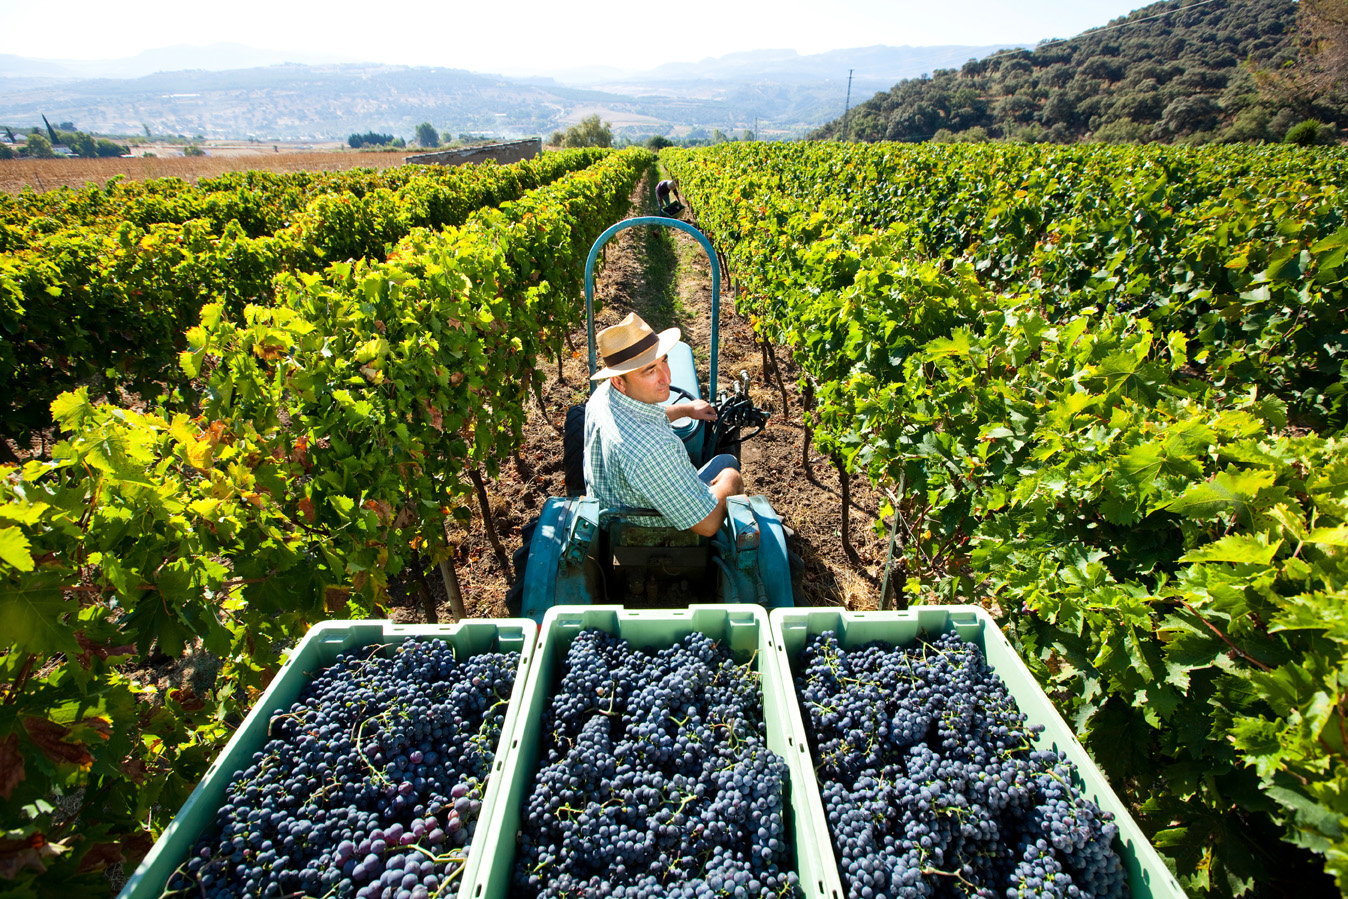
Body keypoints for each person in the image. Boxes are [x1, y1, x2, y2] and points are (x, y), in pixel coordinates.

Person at [584, 312, 744, 537]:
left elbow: (646, 416)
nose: (667, 378)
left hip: (614, 509)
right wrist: (731, 479)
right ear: (619, 381)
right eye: (650, 370)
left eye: (664, 361)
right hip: (654, 533)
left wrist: (685, 410)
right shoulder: (653, 449)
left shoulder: (602, 396)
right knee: (727, 464)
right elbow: (707, 525)